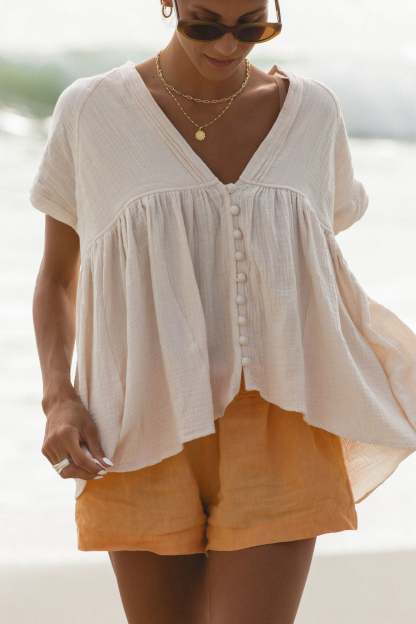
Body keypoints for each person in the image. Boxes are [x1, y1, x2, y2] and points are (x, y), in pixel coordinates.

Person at [29, 1, 416, 623]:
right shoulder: (93, 111)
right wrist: (59, 398)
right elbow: (57, 279)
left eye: (252, 26)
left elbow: (311, 266)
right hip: (137, 421)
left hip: (282, 421)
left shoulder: (313, 114)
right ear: (170, 4)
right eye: (204, 24)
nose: (229, 46)